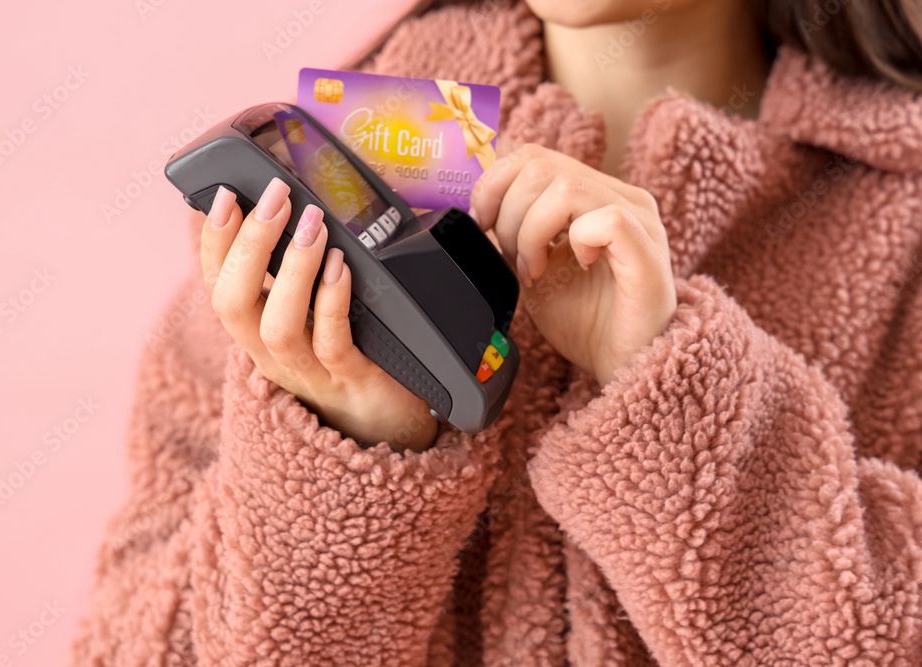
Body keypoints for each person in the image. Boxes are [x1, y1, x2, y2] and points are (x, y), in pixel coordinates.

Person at [68, 0, 922, 664]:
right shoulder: (318, 189)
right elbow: (132, 645)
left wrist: (672, 389)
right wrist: (349, 456)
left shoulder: (899, 219)